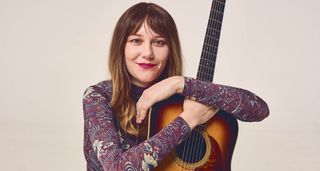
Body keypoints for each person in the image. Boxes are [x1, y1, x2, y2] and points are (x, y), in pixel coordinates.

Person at [82, 2, 269, 171]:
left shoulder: (184, 96)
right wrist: (188, 120)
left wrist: (181, 83)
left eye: (159, 42)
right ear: (121, 47)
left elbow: (259, 109)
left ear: (170, 50)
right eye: (136, 41)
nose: (147, 53)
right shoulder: (99, 97)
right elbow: (117, 168)